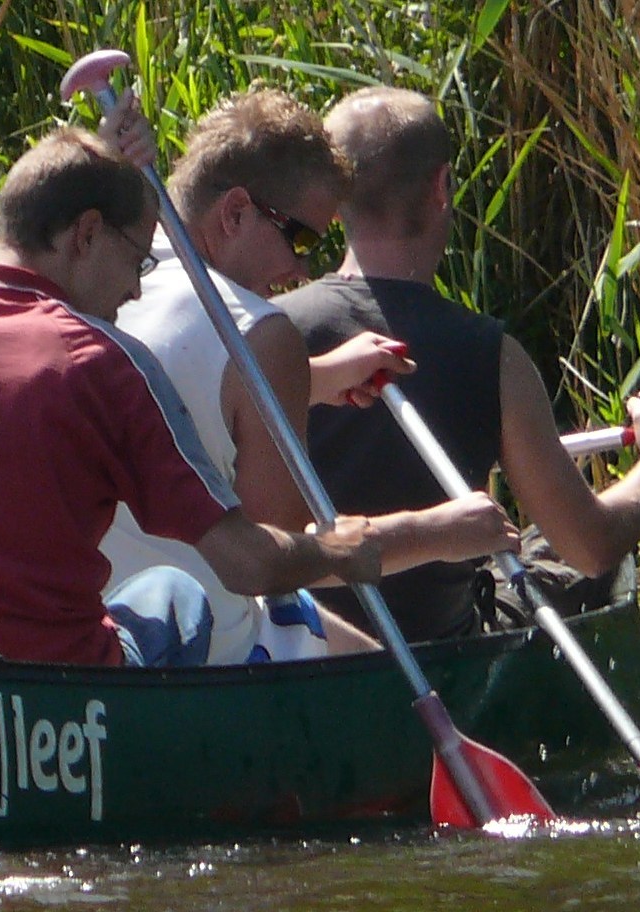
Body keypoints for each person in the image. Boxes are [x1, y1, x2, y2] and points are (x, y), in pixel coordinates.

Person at [0, 126, 384, 668]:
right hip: (59, 696)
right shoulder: (106, 366)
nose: (135, 292)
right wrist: (340, 549)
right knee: (176, 592)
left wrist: (94, 164)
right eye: (138, 260)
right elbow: (247, 564)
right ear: (86, 233)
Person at [100, 88, 521, 664]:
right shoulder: (260, 334)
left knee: (355, 648)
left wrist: (316, 377)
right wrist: (440, 531)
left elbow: (185, 391)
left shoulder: (107, 280)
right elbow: (284, 562)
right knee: (380, 675)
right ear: (236, 212)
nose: (302, 269)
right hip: (202, 647)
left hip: (107, 620)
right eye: (300, 238)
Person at [276, 86, 640, 641]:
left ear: (333, 199)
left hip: (297, 648)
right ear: (441, 186)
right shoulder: (492, 356)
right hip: (439, 653)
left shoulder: (264, 332)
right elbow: (590, 545)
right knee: (598, 562)